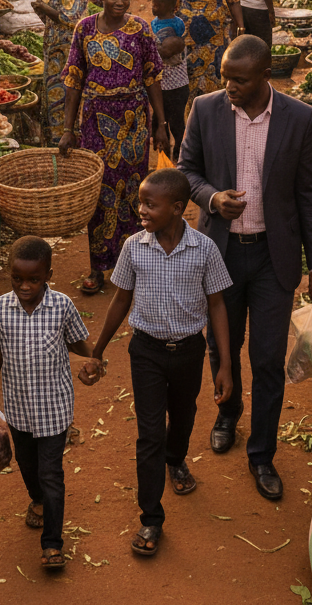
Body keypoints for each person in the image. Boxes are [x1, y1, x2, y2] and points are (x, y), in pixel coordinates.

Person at [178, 36, 312, 501]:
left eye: (239, 79)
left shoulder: (299, 118)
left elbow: (307, 193)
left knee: (266, 358)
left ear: (266, 76)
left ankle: (262, 454)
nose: (229, 86)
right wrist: (210, 198)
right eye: (225, 76)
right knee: (222, 347)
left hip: (273, 257)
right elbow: (186, 172)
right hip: (220, 254)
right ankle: (228, 414)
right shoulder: (204, 109)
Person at [78, 169, 233, 557]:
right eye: (141, 202)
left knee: (183, 416)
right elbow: (119, 299)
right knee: (149, 432)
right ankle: (151, 518)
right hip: (145, 350)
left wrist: (224, 364)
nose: (141, 210)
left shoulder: (204, 250)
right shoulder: (133, 247)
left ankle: (176, 460)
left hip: (189, 351)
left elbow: (217, 305)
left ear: (178, 208)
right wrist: (96, 351)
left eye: (151, 204)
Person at [0, 236, 96, 571]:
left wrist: (95, 358)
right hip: (17, 408)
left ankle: (53, 544)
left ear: (48, 276)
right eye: (17, 279)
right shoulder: (0, 308)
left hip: (54, 408)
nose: (24, 286)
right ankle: (37, 500)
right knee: (29, 469)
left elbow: (76, 342)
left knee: (51, 473)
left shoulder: (62, 306)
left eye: (33, 280)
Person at [60, 0, 168, 295]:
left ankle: (131, 265)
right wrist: (68, 129)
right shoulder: (85, 29)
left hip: (134, 121)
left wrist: (161, 124)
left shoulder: (140, 30)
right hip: (95, 122)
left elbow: (152, 77)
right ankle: (97, 267)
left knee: (134, 192)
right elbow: (74, 80)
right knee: (100, 194)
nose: (120, 2)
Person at [33, 0, 91, 144]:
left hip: (65, 53)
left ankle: (64, 140)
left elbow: (69, 17)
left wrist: (42, 6)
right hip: (59, 51)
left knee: (62, 96)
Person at [150, 0, 189, 161]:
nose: (153, 8)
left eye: (157, 5)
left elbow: (169, 49)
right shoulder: (152, 24)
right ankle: (164, 159)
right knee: (159, 122)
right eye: (153, 4)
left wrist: (155, 49)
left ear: (170, 7)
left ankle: (179, 155)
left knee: (176, 123)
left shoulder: (178, 24)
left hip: (176, 84)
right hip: (160, 84)